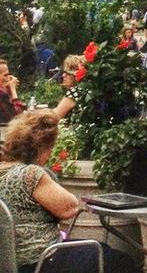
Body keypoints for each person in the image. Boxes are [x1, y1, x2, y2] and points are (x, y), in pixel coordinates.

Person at [0, 109, 136, 272]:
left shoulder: (4, 171)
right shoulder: (29, 174)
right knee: (120, 260)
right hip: (41, 260)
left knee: (102, 248)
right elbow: (69, 208)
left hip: (11, 263)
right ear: (42, 147)